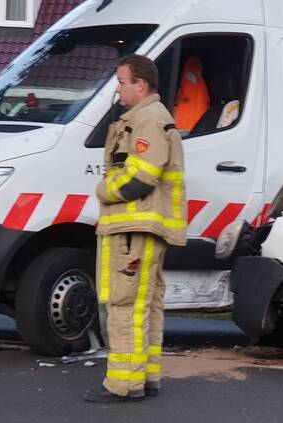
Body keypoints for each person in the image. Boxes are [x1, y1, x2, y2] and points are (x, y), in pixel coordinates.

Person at [85, 55, 186, 403]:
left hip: (133, 230)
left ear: (140, 85)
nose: (118, 89)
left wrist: (103, 190)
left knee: (125, 305)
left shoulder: (147, 119)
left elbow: (141, 177)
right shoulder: (150, 118)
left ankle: (124, 384)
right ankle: (145, 377)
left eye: (122, 81)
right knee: (145, 306)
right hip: (140, 229)